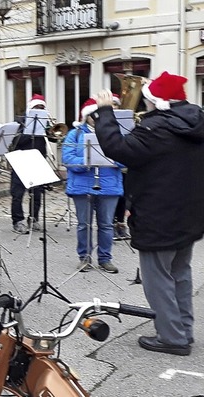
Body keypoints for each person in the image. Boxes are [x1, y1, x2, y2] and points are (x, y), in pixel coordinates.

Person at [93, 71, 203, 356]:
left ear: (158, 100)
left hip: (158, 216)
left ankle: (172, 338)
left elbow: (116, 147)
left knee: (158, 281)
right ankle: (183, 331)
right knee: (180, 274)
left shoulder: (156, 129)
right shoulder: (193, 123)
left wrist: (105, 112)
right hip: (188, 215)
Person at [62, 98, 122, 274]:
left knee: (106, 225)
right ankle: (84, 258)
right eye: (92, 115)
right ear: (86, 115)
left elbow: (125, 155)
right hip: (82, 185)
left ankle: (105, 259)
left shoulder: (115, 133)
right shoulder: (75, 134)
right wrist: (88, 160)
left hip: (108, 185)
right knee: (83, 224)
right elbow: (67, 158)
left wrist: (110, 158)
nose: (96, 118)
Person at [9, 94, 48, 234]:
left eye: (42, 108)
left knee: (37, 194)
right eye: (37, 107)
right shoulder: (19, 122)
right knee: (18, 194)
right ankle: (17, 220)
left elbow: (54, 138)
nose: (39, 110)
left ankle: (34, 218)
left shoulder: (45, 122)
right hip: (21, 160)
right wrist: (29, 133)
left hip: (38, 160)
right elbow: (14, 143)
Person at [109, 93, 131, 240]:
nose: (114, 108)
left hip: (124, 165)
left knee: (124, 196)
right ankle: (111, 224)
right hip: (110, 165)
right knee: (112, 196)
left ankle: (121, 224)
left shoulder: (124, 122)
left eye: (116, 105)